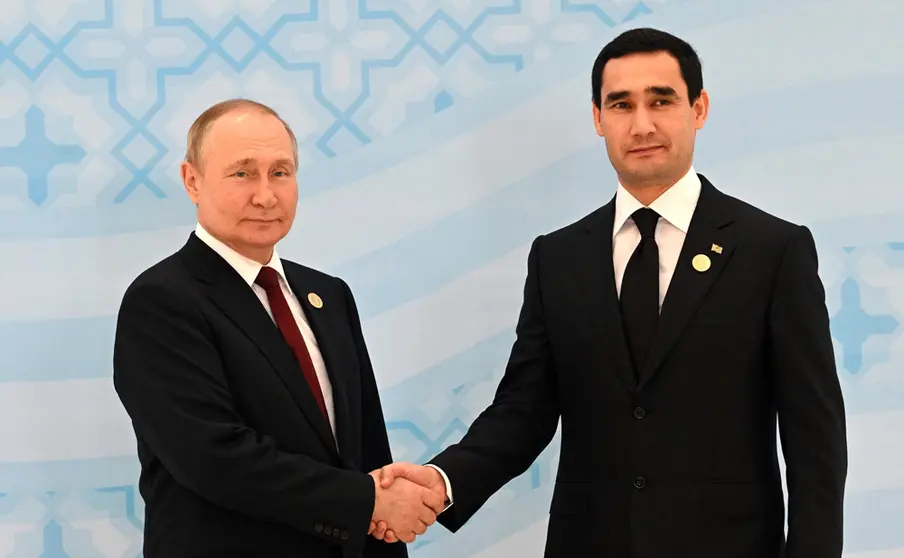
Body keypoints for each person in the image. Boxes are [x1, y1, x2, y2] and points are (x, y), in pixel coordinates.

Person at [371, 27, 848, 557]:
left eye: (661, 100)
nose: (641, 124)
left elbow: (815, 438)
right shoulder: (558, 257)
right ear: (598, 119)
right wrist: (443, 483)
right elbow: (523, 412)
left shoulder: (772, 250)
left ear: (699, 108)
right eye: (620, 105)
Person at [112, 99, 445, 557]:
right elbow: (215, 460)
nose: (266, 195)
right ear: (192, 180)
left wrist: (382, 511)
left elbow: (367, 453)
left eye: (281, 172)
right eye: (242, 173)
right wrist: (368, 501)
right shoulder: (162, 301)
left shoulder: (328, 296)